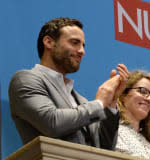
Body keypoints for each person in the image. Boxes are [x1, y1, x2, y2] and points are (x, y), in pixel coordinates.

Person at [9, 17, 126, 149]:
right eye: (75, 43)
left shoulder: (81, 101)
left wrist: (110, 104)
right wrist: (99, 104)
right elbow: (52, 123)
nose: (82, 51)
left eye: (83, 45)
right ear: (49, 42)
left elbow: (105, 148)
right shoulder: (25, 79)